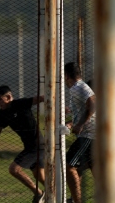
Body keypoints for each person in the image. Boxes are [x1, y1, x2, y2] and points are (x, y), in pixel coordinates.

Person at [0, 85, 45, 203]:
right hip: (29, 147)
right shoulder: (3, 113)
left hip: (37, 145)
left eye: (0, 99)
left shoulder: (21, 103)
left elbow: (42, 98)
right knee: (40, 176)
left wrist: (60, 108)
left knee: (14, 169)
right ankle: (57, 195)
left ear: (8, 97)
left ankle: (39, 194)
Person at [64, 62, 96, 203]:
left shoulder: (77, 88)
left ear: (66, 76)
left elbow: (93, 105)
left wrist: (80, 125)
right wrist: (71, 122)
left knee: (69, 166)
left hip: (89, 135)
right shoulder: (80, 87)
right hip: (92, 135)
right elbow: (84, 110)